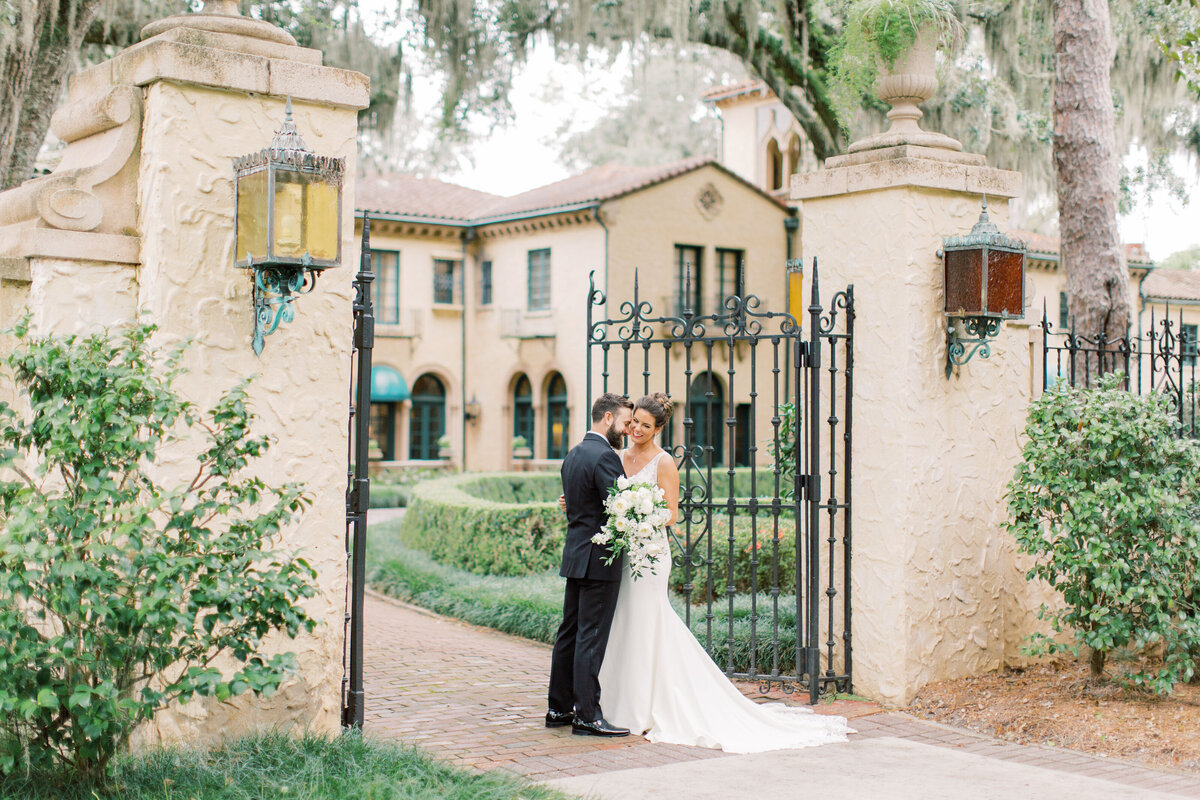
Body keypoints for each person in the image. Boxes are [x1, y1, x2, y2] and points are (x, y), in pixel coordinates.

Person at [597, 392, 853, 753]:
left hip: (651, 554)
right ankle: (614, 701)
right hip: (624, 554)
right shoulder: (619, 456)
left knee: (646, 619)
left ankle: (642, 706)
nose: (637, 429)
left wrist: (641, 515)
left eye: (646, 425)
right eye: (635, 421)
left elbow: (672, 513)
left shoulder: (663, 462)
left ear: (658, 429)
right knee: (622, 620)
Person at [546, 392, 635, 737]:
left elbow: (576, 505)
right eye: (626, 422)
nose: (627, 430)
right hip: (599, 560)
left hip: (575, 556)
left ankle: (558, 708)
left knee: (569, 633)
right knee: (590, 637)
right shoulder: (605, 457)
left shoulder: (573, 455)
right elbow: (622, 510)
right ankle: (586, 714)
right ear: (608, 418)